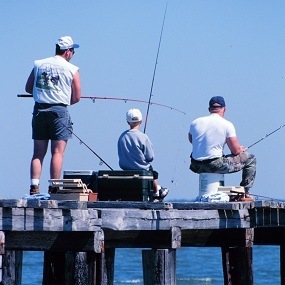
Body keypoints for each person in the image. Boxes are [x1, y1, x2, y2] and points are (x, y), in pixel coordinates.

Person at [25, 36, 81, 195]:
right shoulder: (72, 69)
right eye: (73, 51)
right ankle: (54, 187)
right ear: (68, 52)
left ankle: (34, 187)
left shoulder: (38, 64)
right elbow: (76, 97)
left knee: (38, 152)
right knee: (57, 152)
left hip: (39, 110)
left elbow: (28, 88)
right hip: (59, 111)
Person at [188, 96, 256, 196]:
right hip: (214, 164)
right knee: (251, 158)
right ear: (224, 109)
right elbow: (235, 151)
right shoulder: (227, 124)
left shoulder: (195, 122)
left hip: (195, 165)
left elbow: (192, 140)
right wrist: (241, 149)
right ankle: (245, 191)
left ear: (209, 109)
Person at [117, 108, 169, 201]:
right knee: (151, 170)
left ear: (127, 122)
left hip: (125, 169)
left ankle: (158, 189)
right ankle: (156, 191)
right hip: (142, 169)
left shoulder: (122, 136)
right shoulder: (143, 137)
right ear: (141, 121)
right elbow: (150, 157)